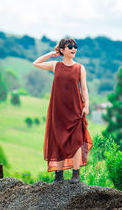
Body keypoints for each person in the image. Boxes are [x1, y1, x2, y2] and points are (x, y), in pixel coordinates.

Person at [33, 38, 93, 183]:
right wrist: (50, 54)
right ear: (62, 50)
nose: (74, 49)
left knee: (77, 141)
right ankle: (58, 175)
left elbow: (84, 89)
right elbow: (36, 63)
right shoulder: (55, 65)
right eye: (70, 46)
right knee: (58, 140)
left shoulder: (80, 68)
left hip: (75, 109)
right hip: (58, 110)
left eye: (75, 46)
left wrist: (87, 106)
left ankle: (75, 174)